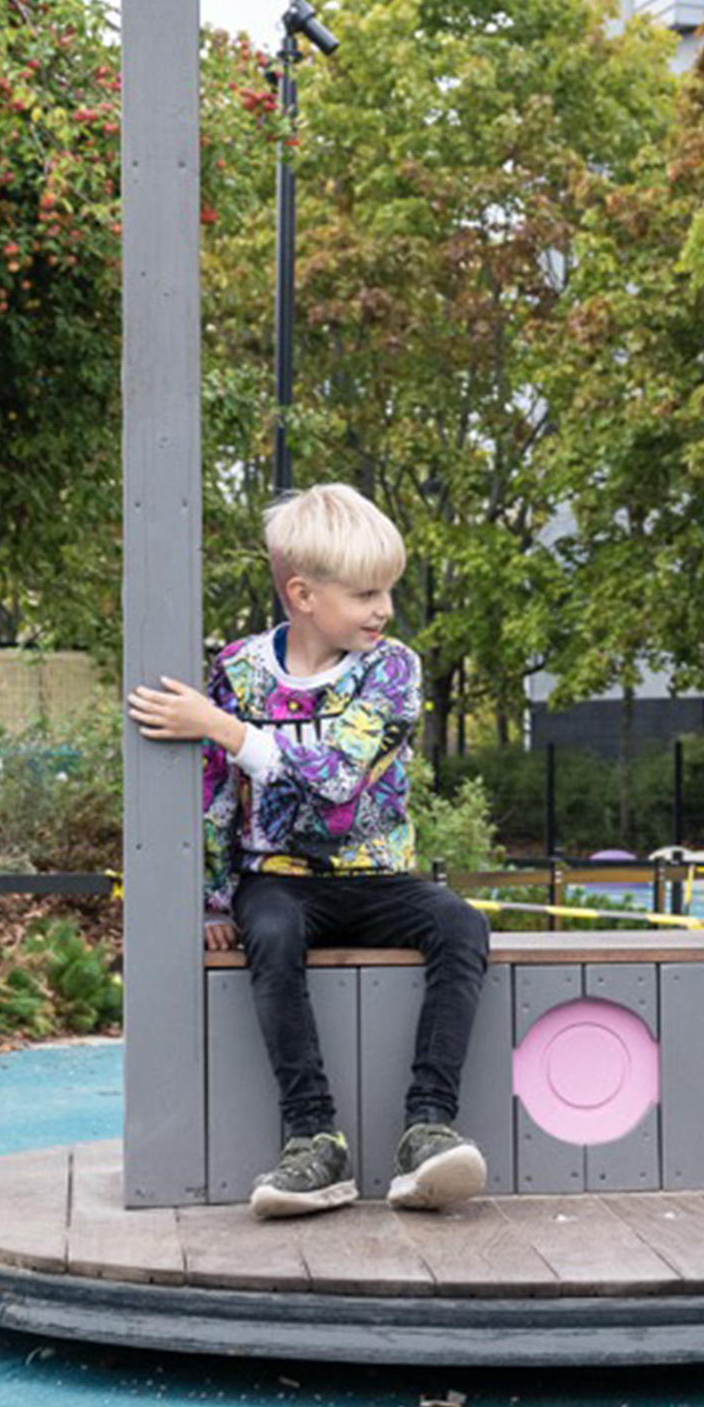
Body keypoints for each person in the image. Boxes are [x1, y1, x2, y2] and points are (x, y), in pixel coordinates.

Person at [129, 483, 490, 1220]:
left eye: (387, 588)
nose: (383, 607)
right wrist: (210, 899)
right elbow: (214, 795)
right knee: (269, 930)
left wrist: (228, 730)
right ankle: (313, 1137)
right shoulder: (236, 672)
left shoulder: (392, 670)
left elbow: (336, 780)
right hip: (280, 880)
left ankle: (427, 1124)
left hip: (376, 876)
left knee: (460, 924)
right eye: (364, 592)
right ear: (302, 592)